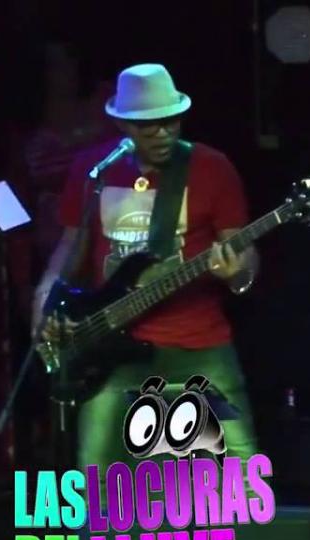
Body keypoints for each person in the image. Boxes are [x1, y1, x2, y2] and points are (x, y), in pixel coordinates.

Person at [33, 64, 260, 493]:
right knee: (95, 486)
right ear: (123, 124)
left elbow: (244, 255)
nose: (163, 132)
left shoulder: (212, 168)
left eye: (170, 120)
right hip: (112, 348)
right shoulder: (93, 171)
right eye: (148, 124)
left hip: (200, 344)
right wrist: (45, 302)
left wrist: (239, 274)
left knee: (245, 482)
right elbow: (69, 252)